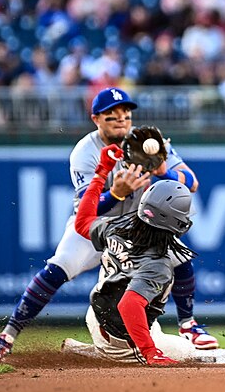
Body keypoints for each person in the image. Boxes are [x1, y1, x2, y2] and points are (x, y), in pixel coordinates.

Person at [0, 87, 218, 363]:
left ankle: (188, 325)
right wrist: (116, 193)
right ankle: (6, 337)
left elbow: (192, 182)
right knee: (59, 266)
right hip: (95, 224)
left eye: (125, 113)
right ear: (96, 119)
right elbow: (84, 209)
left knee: (178, 257)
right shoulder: (85, 151)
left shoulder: (150, 141)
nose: (120, 119)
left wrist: (164, 171)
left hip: (137, 226)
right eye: (111, 115)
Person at [73, 144, 194, 365]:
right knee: (189, 352)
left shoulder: (116, 226)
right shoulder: (159, 262)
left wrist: (102, 172)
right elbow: (128, 306)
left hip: (95, 316)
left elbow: (81, 222)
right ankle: (106, 354)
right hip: (124, 340)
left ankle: (99, 349)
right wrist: (150, 352)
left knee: (151, 321)